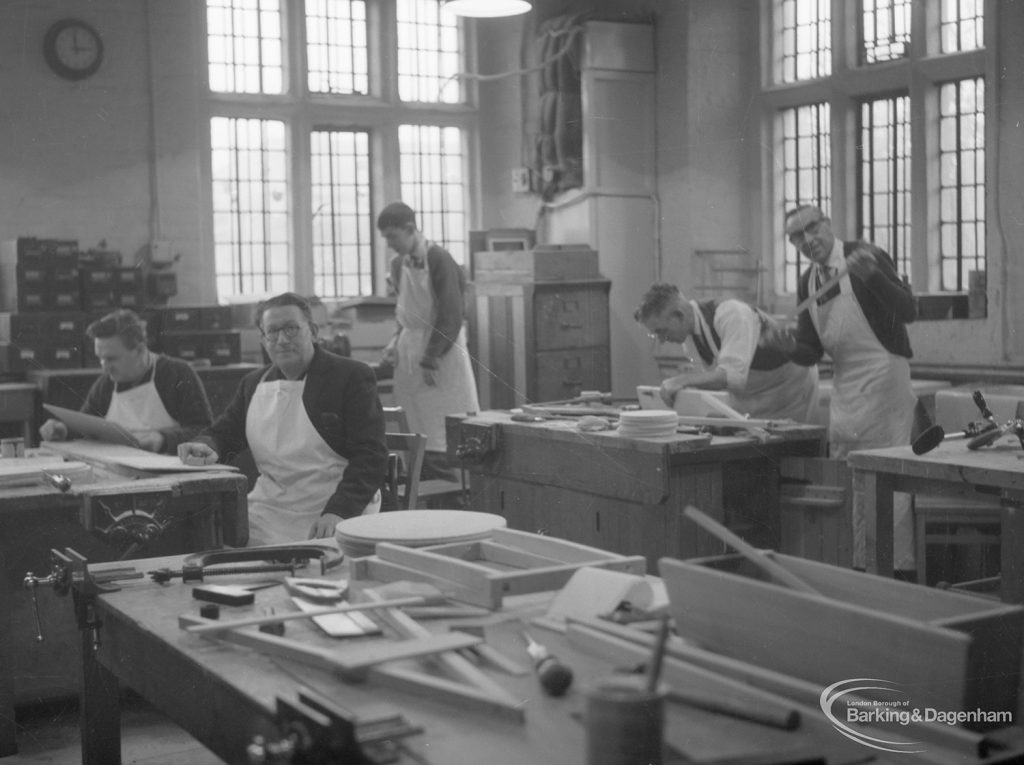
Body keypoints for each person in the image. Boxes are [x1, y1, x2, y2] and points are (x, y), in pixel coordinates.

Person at [765, 204, 918, 575]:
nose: (807, 240)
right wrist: (787, 349)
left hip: (884, 378)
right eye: (796, 237)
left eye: (812, 228)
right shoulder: (808, 282)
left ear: (828, 223)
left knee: (887, 479)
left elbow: (909, 309)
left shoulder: (864, 256)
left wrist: (876, 278)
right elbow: (811, 351)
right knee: (853, 481)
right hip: (846, 386)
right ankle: (862, 568)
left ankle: (896, 572)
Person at [177, 292, 388, 545]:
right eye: (272, 331)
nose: (281, 340)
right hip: (269, 511)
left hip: (333, 509)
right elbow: (224, 433)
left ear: (312, 331)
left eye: (291, 329)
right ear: (263, 339)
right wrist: (206, 445)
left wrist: (339, 511)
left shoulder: (350, 376)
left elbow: (371, 456)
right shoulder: (253, 384)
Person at [378, 202, 479, 481]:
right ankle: (423, 492)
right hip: (410, 353)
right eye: (386, 238)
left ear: (411, 229)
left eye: (393, 237)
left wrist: (432, 357)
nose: (390, 244)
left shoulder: (439, 259)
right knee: (414, 425)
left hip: (441, 353)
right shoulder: (398, 264)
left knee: (442, 427)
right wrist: (394, 341)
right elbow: (405, 312)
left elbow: (451, 312)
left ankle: (451, 496)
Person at [634, 283, 820, 424]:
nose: (662, 339)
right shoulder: (689, 337)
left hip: (789, 393)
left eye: (661, 331)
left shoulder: (731, 313)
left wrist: (681, 380)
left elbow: (732, 377)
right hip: (750, 399)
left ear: (679, 315)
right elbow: (712, 380)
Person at [39, 309, 212, 454]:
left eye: (111, 359)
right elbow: (87, 426)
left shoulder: (177, 374)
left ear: (140, 350)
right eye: (101, 359)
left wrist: (164, 439)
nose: (105, 368)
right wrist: (64, 430)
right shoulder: (106, 384)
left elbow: (205, 432)